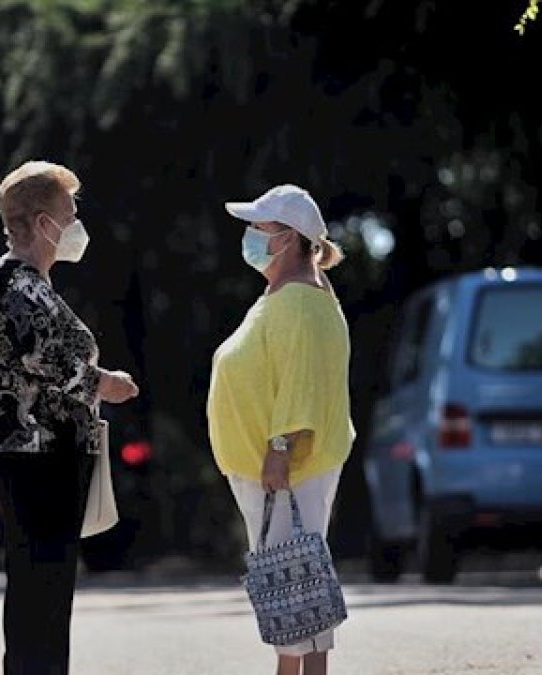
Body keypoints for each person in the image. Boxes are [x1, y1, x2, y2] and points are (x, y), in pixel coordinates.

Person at [0, 160, 139, 675]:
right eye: (68, 212)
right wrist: (103, 383)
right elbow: (47, 359)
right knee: (42, 582)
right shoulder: (17, 284)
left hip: (40, 452)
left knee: (41, 581)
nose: (74, 223)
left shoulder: (27, 282)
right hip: (34, 453)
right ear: (42, 222)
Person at [206, 184, 355, 675]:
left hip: (288, 466)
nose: (250, 236)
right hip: (280, 466)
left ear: (288, 238)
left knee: (293, 585)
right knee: (295, 585)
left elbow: (301, 381)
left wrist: (279, 447)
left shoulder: (299, 301)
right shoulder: (291, 296)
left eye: (259, 227)